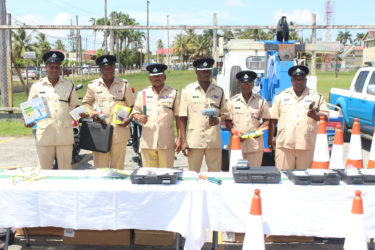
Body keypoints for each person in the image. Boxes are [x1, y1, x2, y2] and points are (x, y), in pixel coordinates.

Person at [25, 51, 80, 169]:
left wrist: (82, 113)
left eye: (57, 67)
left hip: (64, 135)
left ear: (60, 68)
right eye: (51, 67)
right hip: (44, 134)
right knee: (44, 170)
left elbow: (75, 106)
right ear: (46, 68)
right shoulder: (37, 86)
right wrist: (27, 120)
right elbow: (29, 109)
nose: (54, 70)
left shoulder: (69, 85)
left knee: (65, 170)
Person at [268, 65, 329, 170]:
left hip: (306, 145)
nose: (299, 82)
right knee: (284, 178)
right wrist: (271, 139)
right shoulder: (281, 96)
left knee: (304, 179)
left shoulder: (316, 96)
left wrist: (316, 116)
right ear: (291, 80)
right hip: (284, 145)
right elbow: (273, 120)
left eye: (301, 79)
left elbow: (326, 117)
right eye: (296, 79)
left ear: (306, 80)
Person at [81, 55, 134, 169]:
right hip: (100, 131)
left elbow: (132, 105)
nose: (108, 70)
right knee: (100, 169)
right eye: (105, 68)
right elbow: (86, 103)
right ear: (100, 69)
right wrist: (93, 113)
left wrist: (128, 119)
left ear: (114, 68)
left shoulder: (124, 84)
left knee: (118, 169)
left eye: (110, 67)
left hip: (119, 131)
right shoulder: (93, 85)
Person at [179, 58, 228, 172]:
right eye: (203, 71)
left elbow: (225, 113)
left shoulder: (219, 91)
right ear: (196, 71)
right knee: (193, 174)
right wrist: (183, 140)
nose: (206, 74)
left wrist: (218, 120)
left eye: (208, 71)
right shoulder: (187, 91)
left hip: (213, 140)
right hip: (194, 140)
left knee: (215, 173)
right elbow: (182, 117)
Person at [132, 63, 181, 168]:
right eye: (154, 76)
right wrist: (138, 117)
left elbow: (179, 118)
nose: (157, 78)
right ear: (150, 79)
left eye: (159, 75)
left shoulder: (174, 93)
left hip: (166, 143)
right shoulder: (142, 93)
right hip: (148, 142)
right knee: (150, 177)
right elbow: (135, 112)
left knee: (166, 175)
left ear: (164, 77)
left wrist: (180, 138)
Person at [225, 70, 270, 167]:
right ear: (238, 85)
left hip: (255, 145)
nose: (246, 85)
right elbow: (227, 121)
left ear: (253, 84)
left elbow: (267, 120)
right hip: (237, 144)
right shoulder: (232, 102)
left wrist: (259, 129)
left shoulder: (261, 101)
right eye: (243, 83)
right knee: (236, 173)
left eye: (249, 83)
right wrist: (233, 133)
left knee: (254, 173)